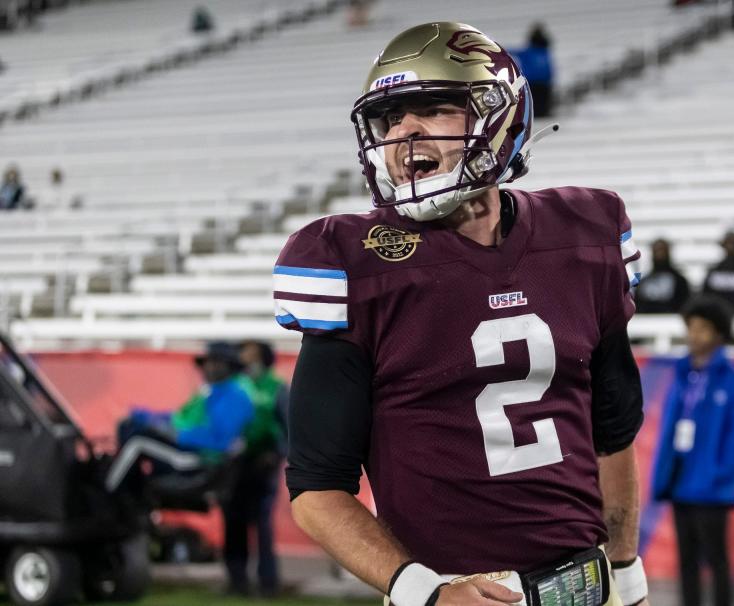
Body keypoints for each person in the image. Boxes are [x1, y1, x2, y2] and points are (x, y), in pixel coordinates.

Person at [274, 22, 651, 606]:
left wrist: (626, 574)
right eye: (389, 120)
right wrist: (424, 592)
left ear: (498, 115)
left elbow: (612, 434)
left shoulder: (584, 235)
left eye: (430, 108)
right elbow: (317, 487)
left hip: (583, 588)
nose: (404, 133)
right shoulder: (353, 261)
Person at [651, 296, 734, 606]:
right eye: (691, 328)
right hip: (681, 483)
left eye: (703, 329)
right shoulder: (682, 374)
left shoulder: (733, 380)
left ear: (719, 334)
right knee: (687, 561)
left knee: (717, 560)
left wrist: (720, 474)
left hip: (711, 488)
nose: (694, 335)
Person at [108, 342, 254, 491]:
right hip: (187, 447)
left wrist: (178, 434)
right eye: (208, 363)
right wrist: (146, 417)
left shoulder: (235, 397)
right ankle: (130, 498)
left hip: (201, 459)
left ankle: (108, 493)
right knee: (130, 426)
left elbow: (219, 440)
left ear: (229, 367)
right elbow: (180, 418)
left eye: (215, 363)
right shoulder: (209, 393)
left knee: (137, 442)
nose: (208, 368)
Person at [221, 340, 289, 596]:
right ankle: (236, 581)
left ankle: (268, 583)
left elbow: (288, 427)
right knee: (233, 522)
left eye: (251, 355)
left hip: (264, 465)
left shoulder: (277, 389)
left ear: (264, 358)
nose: (245, 360)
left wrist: (276, 454)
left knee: (262, 524)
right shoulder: (236, 387)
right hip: (235, 465)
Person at [634, 238, 691, 314]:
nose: (660, 255)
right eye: (656, 251)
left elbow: (684, 304)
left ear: (668, 252)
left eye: (662, 250)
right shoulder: (644, 281)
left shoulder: (680, 281)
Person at [512, 23, 555, 118]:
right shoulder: (544, 50)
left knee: (534, 107)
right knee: (542, 107)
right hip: (544, 82)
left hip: (532, 81)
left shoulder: (528, 51)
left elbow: (511, 51)